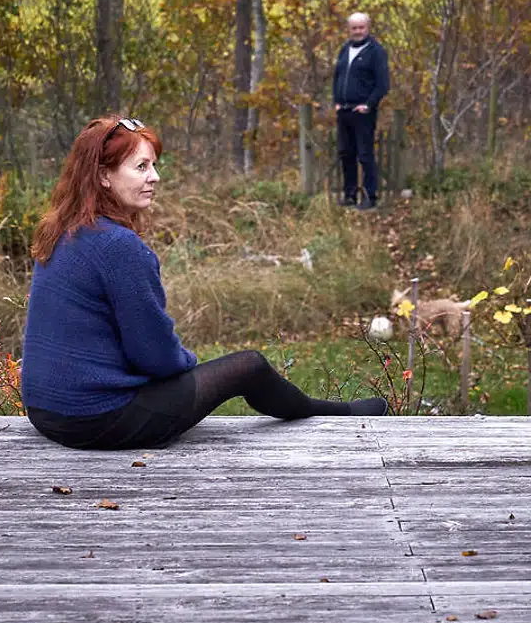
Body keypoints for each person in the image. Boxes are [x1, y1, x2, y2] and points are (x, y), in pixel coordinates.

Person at [21, 115, 389, 450]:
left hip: (45, 410)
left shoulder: (61, 231)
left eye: (154, 165)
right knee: (249, 366)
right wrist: (188, 363)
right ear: (104, 175)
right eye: (141, 167)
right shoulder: (119, 247)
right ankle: (327, 410)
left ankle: (321, 408)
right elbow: (157, 358)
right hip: (96, 419)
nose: (155, 177)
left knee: (220, 369)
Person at [331, 11, 390, 210]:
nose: (357, 31)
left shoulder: (376, 51)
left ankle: (369, 196)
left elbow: (383, 84)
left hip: (363, 112)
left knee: (365, 155)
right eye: (354, 28)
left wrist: (369, 104)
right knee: (346, 154)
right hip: (344, 111)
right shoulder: (344, 49)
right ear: (349, 30)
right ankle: (349, 195)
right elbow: (337, 77)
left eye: (361, 27)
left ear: (368, 27)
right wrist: (337, 102)